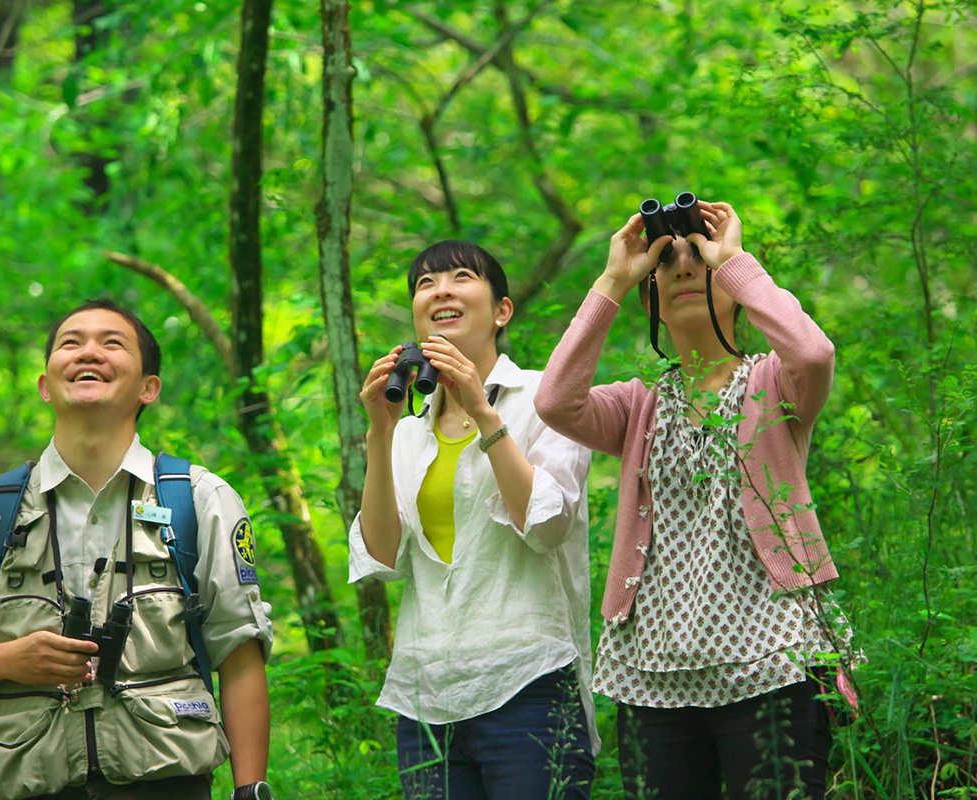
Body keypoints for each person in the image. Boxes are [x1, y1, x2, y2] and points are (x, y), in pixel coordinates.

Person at [535, 201, 856, 799]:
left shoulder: (773, 384)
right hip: (657, 674)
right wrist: (614, 280)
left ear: (733, 288)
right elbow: (556, 402)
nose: (683, 266)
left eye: (697, 257)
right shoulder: (638, 408)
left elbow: (813, 354)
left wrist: (732, 258)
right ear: (649, 299)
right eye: (667, 260)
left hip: (772, 659)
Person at [0, 299, 275, 800]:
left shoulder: (200, 500)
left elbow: (239, 655)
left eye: (112, 343)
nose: (88, 353)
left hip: (168, 785)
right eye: (70, 343)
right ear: (44, 384)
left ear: (149, 387)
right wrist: (10, 659)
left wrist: (250, 791)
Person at [350, 240, 598, 800]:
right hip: (425, 696)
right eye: (425, 284)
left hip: (529, 682)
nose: (441, 290)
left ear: (501, 310)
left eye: (462, 277)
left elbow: (546, 527)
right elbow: (381, 559)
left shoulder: (547, 398)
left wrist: (484, 413)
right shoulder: (408, 431)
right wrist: (380, 431)